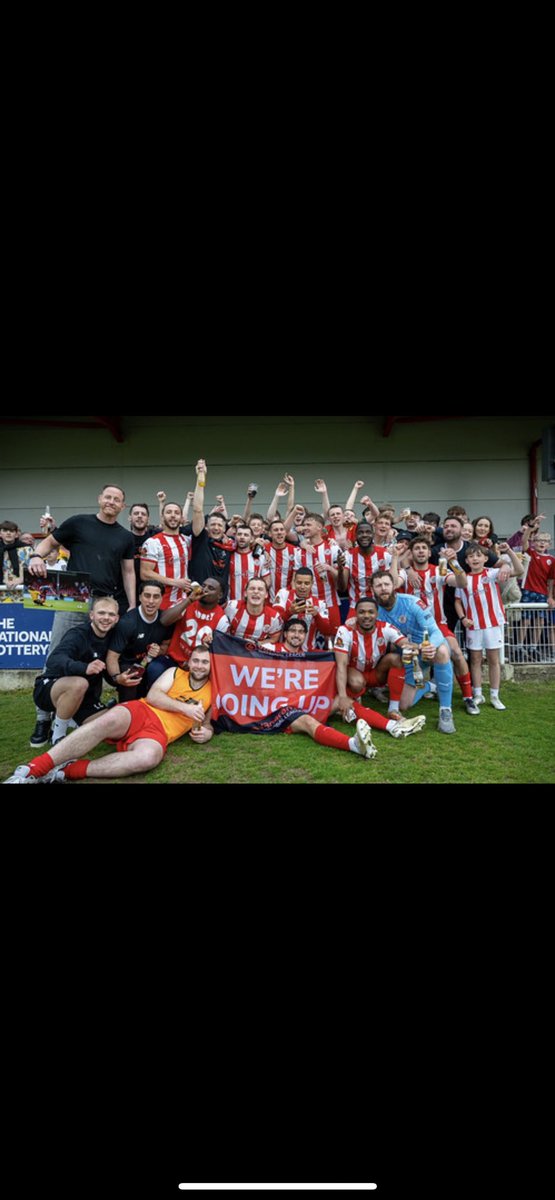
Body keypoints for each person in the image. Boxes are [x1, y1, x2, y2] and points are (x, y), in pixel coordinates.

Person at [25, 485, 137, 746]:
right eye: (107, 497)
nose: (111, 502)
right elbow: (50, 542)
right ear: (100, 499)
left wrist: (131, 604)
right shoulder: (78, 523)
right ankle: (43, 717)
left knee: (94, 657)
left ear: (123, 506)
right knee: (57, 653)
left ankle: (77, 711)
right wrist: (35, 556)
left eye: (117, 499)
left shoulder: (125, 537)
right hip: (72, 595)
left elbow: (128, 572)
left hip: (105, 600)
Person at [4, 647, 214, 784]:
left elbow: (207, 724)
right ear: (189, 661)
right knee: (109, 719)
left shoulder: (214, 691)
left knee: (148, 758)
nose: (199, 666)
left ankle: (65, 772)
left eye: (205, 662)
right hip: (143, 711)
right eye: (196, 661)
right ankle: (32, 769)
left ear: (211, 665)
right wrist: (184, 708)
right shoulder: (175, 673)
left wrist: (207, 733)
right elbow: (153, 696)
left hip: (160, 733)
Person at [399, 536, 480, 716]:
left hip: (437, 625)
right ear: (411, 553)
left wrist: (454, 562)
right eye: (417, 548)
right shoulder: (405, 573)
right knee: (404, 661)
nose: (420, 551)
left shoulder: (438, 571)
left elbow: (463, 583)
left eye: (424, 548)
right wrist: (405, 567)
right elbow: (394, 583)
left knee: (457, 654)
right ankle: (412, 690)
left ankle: (468, 697)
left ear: (429, 553)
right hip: (412, 630)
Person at [371, 570, 458, 734]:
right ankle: (430, 686)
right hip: (408, 657)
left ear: (394, 586)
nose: (383, 589)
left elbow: (436, 632)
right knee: (404, 704)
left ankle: (446, 710)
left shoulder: (412, 603)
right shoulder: (375, 612)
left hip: (426, 649)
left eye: (387, 584)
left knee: (442, 651)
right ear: (373, 589)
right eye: (379, 585)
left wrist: (430, 646)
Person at [30, 595, 120, 749]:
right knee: (79, 683)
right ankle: (58, 736)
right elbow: (54, 660)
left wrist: (119, 678)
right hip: (50, 689)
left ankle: (73, 718)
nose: (106, 618)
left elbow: (108, 670)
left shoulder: (112, 637)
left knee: (113, 723)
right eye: (101, 613)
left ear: (117, 618)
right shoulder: (78, 634)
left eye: (111, 614)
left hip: (85, 698)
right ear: (91, 615)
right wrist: (84, 668)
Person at [333, 599, 426, 739]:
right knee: (356, 682)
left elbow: (405, 643)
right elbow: (340, 665)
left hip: (376, 674)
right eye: (362, 612)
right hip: (354, 675)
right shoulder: (345, 631)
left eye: (371, 612)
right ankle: (354, 698)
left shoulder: (386, 627)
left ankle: (393, 709)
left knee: (395, 658)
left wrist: (420, 648)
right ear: (355, 614)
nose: (366, 616)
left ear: (377, 614)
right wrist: (342, 696)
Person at [455, 542, 524, 709]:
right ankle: (478, 694)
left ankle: (495, 695)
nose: (475, 559)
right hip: (473, 625)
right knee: (476, 660)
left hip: (492, 624)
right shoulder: (463, 578)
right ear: (467, 560)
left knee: (494, 660)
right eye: (471, 556)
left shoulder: (493, 573)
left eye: (478, 555)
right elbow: (457, 601)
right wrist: (463, 618)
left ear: (486, 558)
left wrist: (508, 552)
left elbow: (520, 571)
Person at [106, 581, 185, 702]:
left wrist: (159, 651)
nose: (151, 601)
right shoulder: (127, 622)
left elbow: (166, 645)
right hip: (127, 664)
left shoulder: (166, 619)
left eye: (156, 596)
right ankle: (124, 710)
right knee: (131, 682)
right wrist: (118, 677)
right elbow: (112, 657)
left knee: (160, 671)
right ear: (140, 597)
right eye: (147, 596)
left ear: (161, 598)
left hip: (150, 664)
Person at [146, 578, 230, 683]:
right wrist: (189, 600)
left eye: (211, 588)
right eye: (203, 586)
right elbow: (164, 621)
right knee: (154, 669)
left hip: (198, 666)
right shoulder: (186, 602)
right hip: (174, 659)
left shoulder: (222, 620)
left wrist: (194, 663)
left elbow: (218, 652)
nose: (205, 589)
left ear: (220, 595)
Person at [188, 460, 235, 599]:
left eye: (220, 525)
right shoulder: (201, 538)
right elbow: (197, 509)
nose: (216, 528)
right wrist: (200, 478)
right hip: (198, 599)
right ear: (206, 527)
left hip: (221, 603)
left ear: (224, 528)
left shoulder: (230, 544)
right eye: (213, 524)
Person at [140, 501, 195, 611]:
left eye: (177, 513)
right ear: (162, 516)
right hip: (161, 604)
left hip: (183, 602)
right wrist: (176, 582)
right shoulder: (153, 542)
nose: (173, 515)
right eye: (169, 512)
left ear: (181, 517)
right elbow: (145, 574)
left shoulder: (186, 540)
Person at [274, 566, 337, 650]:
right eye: (299, 583)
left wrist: (316, 615)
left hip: (308, 654)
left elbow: (326, 632)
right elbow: (274, 623)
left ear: (312, 583)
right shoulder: (283, 594)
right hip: (284, 652)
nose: (302, 587)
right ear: (294, 581)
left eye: (306, 583)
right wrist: (290, 612)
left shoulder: (320, 603)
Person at [225, 577, 283, 644]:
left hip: (256, 652)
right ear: (245, 593)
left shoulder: (274, 617)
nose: (256, 592)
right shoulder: (232, 607)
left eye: (260, 589)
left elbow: (274, 638)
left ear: (266, 594)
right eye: (252, 588)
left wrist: (258, 644)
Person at [227, 523, 272, 602]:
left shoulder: (261, 557)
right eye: (239, 534)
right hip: (232, 603)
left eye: (246, 535)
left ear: (251, 539)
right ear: (235, 537)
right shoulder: (227, 556)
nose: (242, 537)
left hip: (253, 604)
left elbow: (267, 581)